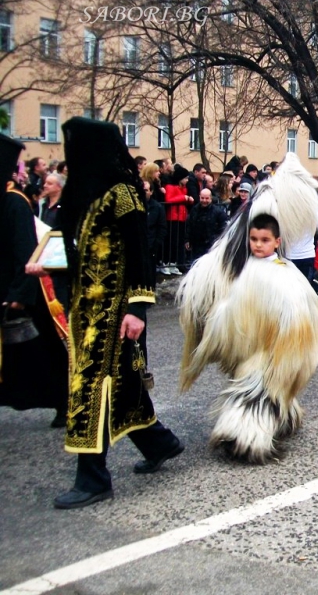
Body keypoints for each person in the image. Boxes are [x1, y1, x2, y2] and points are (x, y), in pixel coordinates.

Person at [51, 117, 183, 510]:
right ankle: (159, 442)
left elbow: (141, 252)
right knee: (123, 384)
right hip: (85, 309)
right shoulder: (84, 193)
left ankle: (92, 479)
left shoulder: (123, 192)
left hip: (114, 311)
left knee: (90, 387)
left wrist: (137, 308)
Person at [178, 152, 318, 462]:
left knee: (263, 370)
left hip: (270, 312)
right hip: (265, 310)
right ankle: (262, 421)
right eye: (254, 240)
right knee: (262, 369)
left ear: (275, 241)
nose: (257, 244)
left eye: (264, 240)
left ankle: (255, 426)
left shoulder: (269, 258)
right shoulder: (263, 250)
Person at [1, 134, 69, 428]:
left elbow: (25, 250)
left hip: (23, 290)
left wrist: (18, 294)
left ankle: (65, 401)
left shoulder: (14, 203)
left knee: (43, 352)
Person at [163, 164, 192, 275]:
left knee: (178, 242)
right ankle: (166, 263)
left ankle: (173, 263)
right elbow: (169, 199)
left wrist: (188, 199)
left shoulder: (183, 189)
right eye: (186, 178)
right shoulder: (170, 187)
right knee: (171, 242)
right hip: (172, 217)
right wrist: (184, 198)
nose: (187, 180)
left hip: (181, 217)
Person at [185, 188, 228, 262]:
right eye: (202, 198)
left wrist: (217, 241)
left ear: (211, 198)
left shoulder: (218, 212)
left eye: (207, 198)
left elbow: (223, 228)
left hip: (211, 244)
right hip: (197, 244)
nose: (204, 200)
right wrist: (187, 240)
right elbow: (189, 225)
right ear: (199, 197)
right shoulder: (194, 210)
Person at [143, 179, 167, 280]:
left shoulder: (158, 207)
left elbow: (162, 227)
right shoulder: (135, 207)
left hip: (151, 245)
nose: (143, 192)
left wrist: (155, 245)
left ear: (151, 192)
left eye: (146, 190)